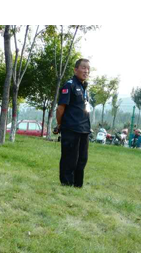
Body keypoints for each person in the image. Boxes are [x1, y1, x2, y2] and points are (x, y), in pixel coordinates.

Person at [53, 59, 91, 187]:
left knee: (82, 159)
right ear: (75, 70)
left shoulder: (84, 87)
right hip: (71, 128)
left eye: (88, 69)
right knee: (70, 158)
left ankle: (77, 185)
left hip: (84, 129)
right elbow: (60, 108)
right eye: (83, 67)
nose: (86, 71)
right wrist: (60, 124)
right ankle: (66, 184)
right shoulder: (69, 85)